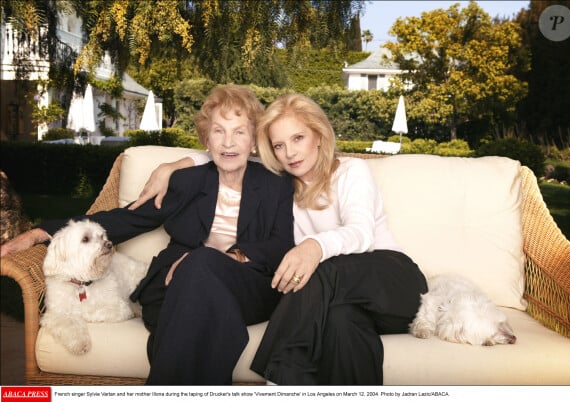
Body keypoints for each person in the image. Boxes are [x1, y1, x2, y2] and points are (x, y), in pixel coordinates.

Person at [0, 85, 295, 385]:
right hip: (173, 287)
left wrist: (221, 258)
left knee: (200, 265)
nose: (228, 142)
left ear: (254, 140)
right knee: (197, 294)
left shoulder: (276, 185)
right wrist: (41, 231)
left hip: (246, 288)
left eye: (239, 132)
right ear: (207, 138)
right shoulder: (186, 182)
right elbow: (127, 218)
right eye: (219, 131)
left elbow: (281, 243)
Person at [131, 93, 428, 385]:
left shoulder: (351, 171)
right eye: (279, 145)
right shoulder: (281, 189)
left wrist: (314, 247)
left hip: (393, 284)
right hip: (341, 303)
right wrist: (171, 166)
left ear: (320, 136)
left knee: (315, 269)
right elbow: (225, 153)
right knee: (342, 328)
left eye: (298, 138)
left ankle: (282, 376)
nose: (291, 153)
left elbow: (362, 233)